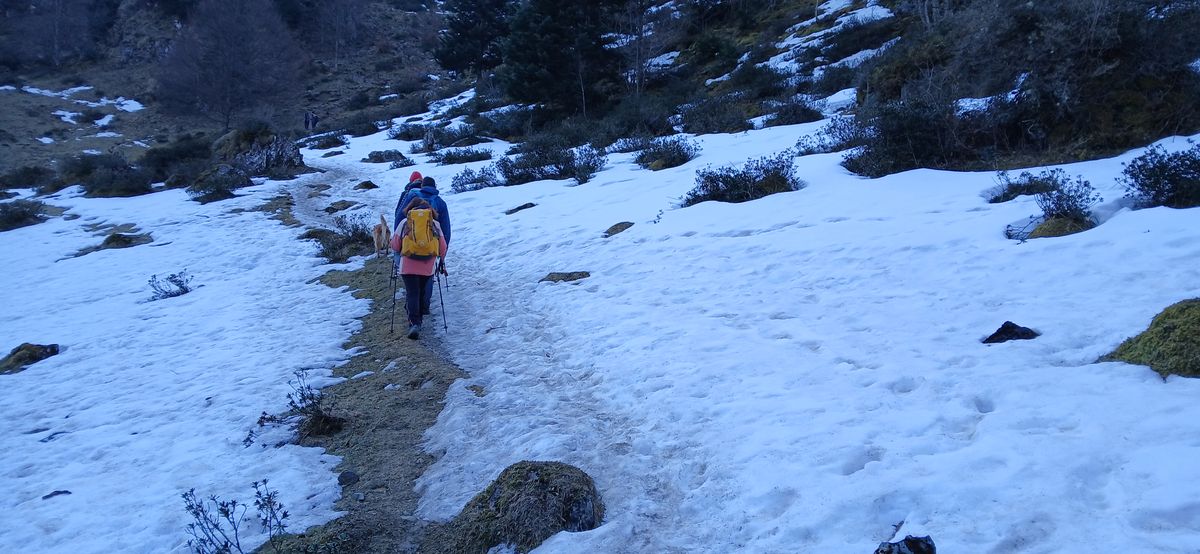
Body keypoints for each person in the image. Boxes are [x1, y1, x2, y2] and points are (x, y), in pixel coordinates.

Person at [393, 198, 448, 340]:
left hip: (408, 264)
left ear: (411, 209)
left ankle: (414, 323)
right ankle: (419, 319)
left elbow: (395, 245)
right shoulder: (434, 224)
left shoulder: (404, 223)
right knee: (422, 292)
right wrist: (441, 261)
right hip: (427, 265)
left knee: (412, 293)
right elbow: (442, 246)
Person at [404, 176, 451, 315]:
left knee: (412, 284)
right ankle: (425, 307)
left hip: (410, 249)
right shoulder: (440, 202)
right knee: (428, 276)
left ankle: (413, 312)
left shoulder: (411, 198)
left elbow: (399, 219)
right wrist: (442, 256)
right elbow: (446, 230)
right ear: (435, 187)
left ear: (422, 186)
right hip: (430, 247)